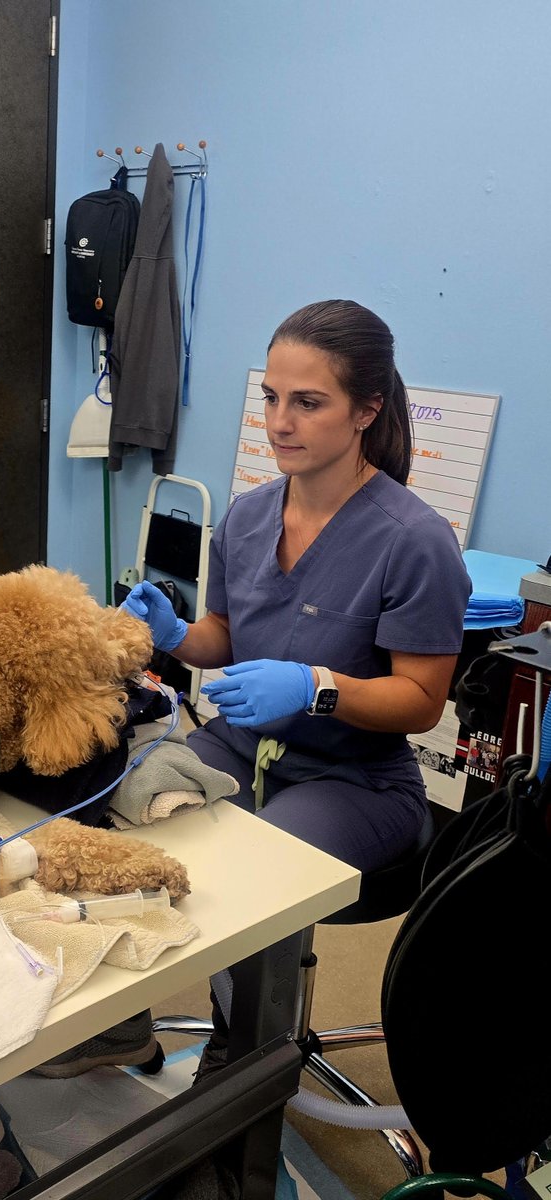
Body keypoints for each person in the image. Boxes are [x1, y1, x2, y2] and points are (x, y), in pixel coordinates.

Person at [120, 298, 472, 1081]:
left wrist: (318, 687)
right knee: (118, 809)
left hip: (353, 776)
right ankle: (116, 1028)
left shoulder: (414, 541)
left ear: (366, 410)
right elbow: (224, 636)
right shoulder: (248, 516)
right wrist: (174, 634)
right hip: (238, 746)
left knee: (251, 878)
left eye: (308, 403)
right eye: (272, 398)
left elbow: (421, 702)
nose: (280, 422)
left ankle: (238, 1071)